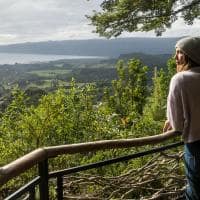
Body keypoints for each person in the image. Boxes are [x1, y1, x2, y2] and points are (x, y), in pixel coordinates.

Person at [163, 36, 200, 199]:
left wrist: (170, 119)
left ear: (190, 55)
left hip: (196, 146)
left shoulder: (180, 79)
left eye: (179, 53)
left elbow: (177, 125)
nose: (175, 57)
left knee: (195, 193)